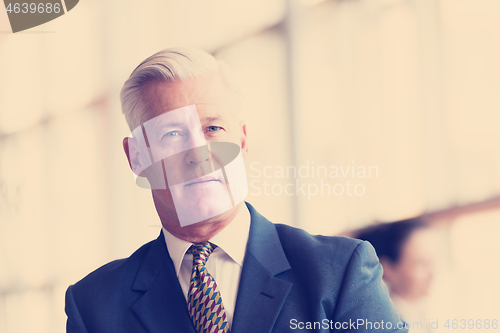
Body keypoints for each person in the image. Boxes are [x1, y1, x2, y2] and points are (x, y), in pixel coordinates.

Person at [65, 47, 408, 332]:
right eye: (171, 134)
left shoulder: (338, 272)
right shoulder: (94, 305)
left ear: (242, 139)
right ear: (137, 156)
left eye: (213, 127)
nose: (199, 155)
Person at [354, 218, 438, 332]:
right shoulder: (379, 325)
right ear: (387, 269)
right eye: (421, 263)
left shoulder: (429, 312)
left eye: (432, 261)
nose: (433, 273)